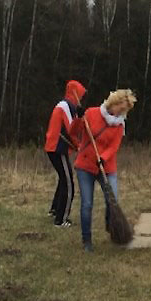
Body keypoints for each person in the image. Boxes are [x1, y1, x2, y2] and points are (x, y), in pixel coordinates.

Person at [69, 89, 137, 252]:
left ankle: (112, 225)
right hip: (85, 166)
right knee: (87, 204)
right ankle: (87, 241)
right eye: (120, 108)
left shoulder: (120, 125)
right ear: (113, 102)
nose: (121, 112)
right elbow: (73, 132)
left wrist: (103, 158)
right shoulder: (92, 113)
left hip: (106, 167)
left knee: (112, 200)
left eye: (124, 110)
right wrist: (78, 118)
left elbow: (113, 147)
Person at [44, 80, 86, 228]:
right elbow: (71, 130)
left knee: (63, 178)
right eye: (81, 94)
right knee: (69, 184)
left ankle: (55, 209)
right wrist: (79, 146)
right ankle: (61, 220)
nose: (81, 98)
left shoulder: (65, 105)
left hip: (54, 147)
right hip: (58, 147)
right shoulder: (66, 106)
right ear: (75, 93)